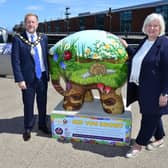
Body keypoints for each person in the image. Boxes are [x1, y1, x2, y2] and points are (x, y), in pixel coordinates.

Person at [120, 13, 168, 158]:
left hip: (156, 89)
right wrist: (127, 47)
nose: (152, 28)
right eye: (149, 25)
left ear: (160, 28)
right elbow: (138, 57)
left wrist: (165, 92)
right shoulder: (145, 41)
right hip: (142, 87)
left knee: (148, 118)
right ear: (145, 27)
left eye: (155, 26)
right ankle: (159, 139)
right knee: (153, 115)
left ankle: (138, 145)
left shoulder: (164, 43)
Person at [11, 13, 50, 141]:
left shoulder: (43, 38)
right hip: (27, 79)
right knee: (28, 104)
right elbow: (15, 61)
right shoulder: (18, 39)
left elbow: (46, 57)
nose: (31, 24)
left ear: (37, 24)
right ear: (25, 24)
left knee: (42, 103)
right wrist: (19, 79)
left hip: (42, 76)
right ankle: (28, 127)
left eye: (33, 22)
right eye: (28, 22)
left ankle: (42, 125)